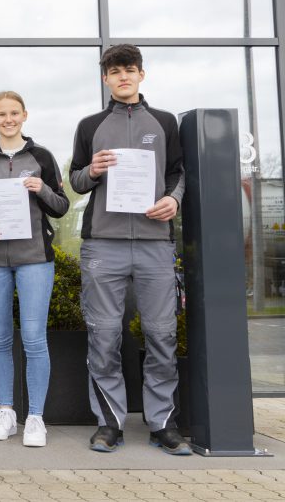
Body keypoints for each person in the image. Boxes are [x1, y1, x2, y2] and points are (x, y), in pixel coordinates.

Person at [69, 44, 188, 455]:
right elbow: (76, 180)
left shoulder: (166, 122)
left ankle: (162, 424)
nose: (123, 76)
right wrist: (93, 170)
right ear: (105, 78)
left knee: (161, 335)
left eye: (130, 70)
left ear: (141, 74)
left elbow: (177, 174)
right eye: (115, 71)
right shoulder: (90, 125)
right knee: (104, 336)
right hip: (104, 243)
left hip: (155, 243)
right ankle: (109, 423)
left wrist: (174, 200)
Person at [0, 91, 69, 448]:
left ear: (24, 115)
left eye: (14, 113)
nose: (8, 119)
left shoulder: (41, 157)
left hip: (35, 258)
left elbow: (61, 206)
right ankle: (6, 411)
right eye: (1, 114)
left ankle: (35, 417)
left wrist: (41, 189)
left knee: (35, 339)